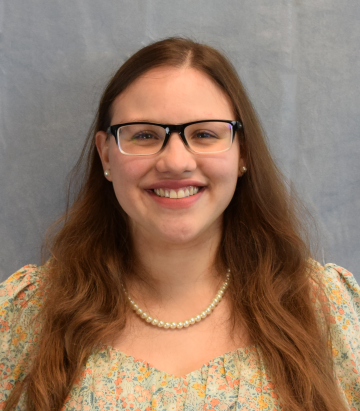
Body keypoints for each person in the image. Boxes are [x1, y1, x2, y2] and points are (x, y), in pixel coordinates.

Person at [0, 37, 359, 411]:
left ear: (242, 153)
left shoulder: (323, 309)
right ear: (106, 154)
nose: (175, 162)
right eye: (144, 135)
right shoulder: (28, 314)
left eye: (204, 134)